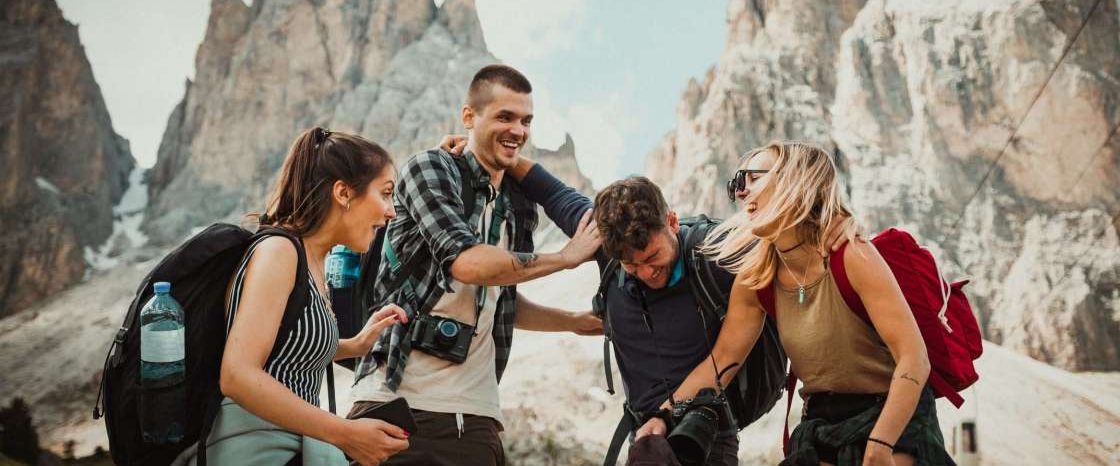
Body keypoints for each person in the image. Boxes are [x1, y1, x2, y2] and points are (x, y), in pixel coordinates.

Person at [432, 143, 856, 466]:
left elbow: (792, 225)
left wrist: (840, 221)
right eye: (630, 266)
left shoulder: (718, 252)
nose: (645, 273)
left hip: (707, 428)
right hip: (644, 434)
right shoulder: (607, 246)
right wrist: (485, 149)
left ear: (672, 222)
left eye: (653, 258)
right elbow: (551, 192)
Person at [349, 65, 603, 466]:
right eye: (504, 117)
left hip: (478, 419)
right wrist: (564, 259)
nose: (518, 130)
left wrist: (572, 321)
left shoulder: (518, 205)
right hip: (397, 405)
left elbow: (499, 296)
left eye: (526, 121)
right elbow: (466, 264)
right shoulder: (429, 168)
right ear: (468, 117)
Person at [643, 141, 954, 466]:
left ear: (794, 178)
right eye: (737, 183)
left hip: (892, 415)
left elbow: (914, 357)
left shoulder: (851, 255)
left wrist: (881, 444)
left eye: (752, 178)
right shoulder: (756, 279)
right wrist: (663, 416)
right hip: (820, 422)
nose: (741, 193)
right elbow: (721, 362)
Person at [181, 126, 412, 466]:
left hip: (289, 447)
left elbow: (285, 348)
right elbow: (237, 374)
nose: (391, 212)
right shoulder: (280, 251)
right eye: (385, 193)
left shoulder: (314, 261)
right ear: (344, 193)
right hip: (255, 450)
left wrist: (354, 344)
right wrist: (346, 433)